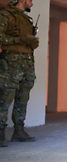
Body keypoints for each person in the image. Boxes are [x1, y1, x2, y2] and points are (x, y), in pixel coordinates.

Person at [0, 0, 39, 147]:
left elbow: (26, 42)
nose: (32, 4)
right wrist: (20, 39)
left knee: (23, 97)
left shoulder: (25, 19)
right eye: (30, 1)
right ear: (22, 0)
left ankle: (19, 131)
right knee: (5, 97)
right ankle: (0, 133)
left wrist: (32, 42)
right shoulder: (5, 15)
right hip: (11, 62)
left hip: (27, 62)